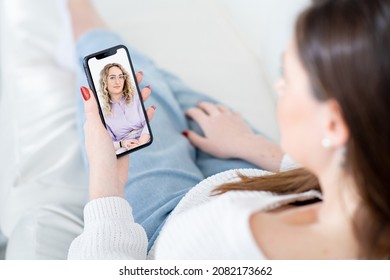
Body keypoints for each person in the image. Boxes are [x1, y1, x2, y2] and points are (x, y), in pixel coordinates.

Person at [68, 0, 390, 259]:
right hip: (265, 182)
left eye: (288, 79)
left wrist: (106, 182)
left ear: (333, 125)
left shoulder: (223, 253)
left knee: (108, 59)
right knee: (154, 84)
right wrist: (251, 145)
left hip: (163, 228)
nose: (279, 86)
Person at [98, 62, 150, 152]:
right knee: (120, 152)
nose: (117, 82)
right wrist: (123, 143)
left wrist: (141, 143)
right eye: (112, 77)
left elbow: (147, 123)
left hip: (145, 140)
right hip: (124, 147)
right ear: (104, 81)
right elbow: (109, 143)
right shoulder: (103, 112)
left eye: (121, 77)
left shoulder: (135, 96)